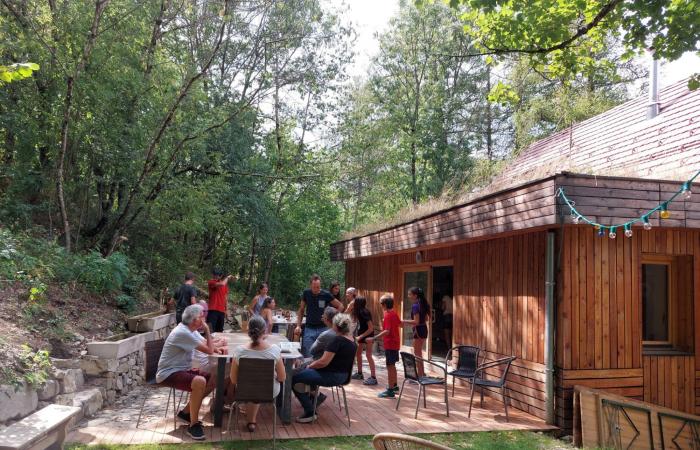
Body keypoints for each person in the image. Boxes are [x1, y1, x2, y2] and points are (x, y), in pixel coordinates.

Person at [156, 304, 221, 440]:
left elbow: (207, 344)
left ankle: (186, 413)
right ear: (194, 320)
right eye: (201, 316)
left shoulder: (190, 330)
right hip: (168, 373)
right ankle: (193, 425)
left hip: (182, 370)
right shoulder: (183, 332)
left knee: (214, 379)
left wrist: (219, 346)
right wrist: (208, 329)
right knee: (200, 381)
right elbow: (209, 350)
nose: (203, 319)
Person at [292, 313, 357, 423]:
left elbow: (323, 362)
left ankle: (309, 412)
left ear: (335, 326)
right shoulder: (352, 341)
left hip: (329, 376)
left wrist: (310, 366)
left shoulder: (337, 340)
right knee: (304, 373)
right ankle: (314, 398)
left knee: (293, 377)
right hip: (343, 377)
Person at [230, 315, 286, 432]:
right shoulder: (275, 350)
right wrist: (272, 376)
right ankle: (251, 421)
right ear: (264, 330)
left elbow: (234, 380)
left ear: (248, 330)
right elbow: (282, 377)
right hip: (269, 391)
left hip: (245, 390)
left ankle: (251, 421)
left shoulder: (239, 351)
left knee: (252, 385)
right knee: (261, 384)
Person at [295, 274, 344, 357]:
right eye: (314, 287)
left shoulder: (326, 294)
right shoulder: (306, 293)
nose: (316, 289)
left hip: (323, 329)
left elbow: (341, 306)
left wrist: (332, 320)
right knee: (308, 354)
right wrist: (298, 325)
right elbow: (301, 309)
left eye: (318, 287)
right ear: (310, 285)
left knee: (322, 355)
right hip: (309, 328)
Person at [375, 295, 402, 398]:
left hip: (390, 344)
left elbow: (387, 331)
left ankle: (390, 390)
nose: (381, 306)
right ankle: (394, 386)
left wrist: (374, 338)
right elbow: (400, 324)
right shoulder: (394, 313)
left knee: (389, 366)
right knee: (392, 365)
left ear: (385, 305)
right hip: (395, 343)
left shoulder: (388, 315)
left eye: (381, 304)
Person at [402, 286, 430, 376]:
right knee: (419, 353)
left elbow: (416, 322)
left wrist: (403, 321)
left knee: (417, 354)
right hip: (424, 329)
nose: (408, 296)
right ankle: (422, 373)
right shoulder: (423, 304)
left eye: (410, 294)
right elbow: (426, 318)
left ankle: (420, 375)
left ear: (415, 295)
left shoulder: (415, 306)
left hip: (418, 330)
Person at [350, 296, 377, 385]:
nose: (353, 302)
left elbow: (371, 328)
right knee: (358, 354)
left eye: (355, 301)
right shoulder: (358, 311)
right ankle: (359, 373)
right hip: (362, 335)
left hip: (368, 336)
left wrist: (360, 336)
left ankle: (373, 377)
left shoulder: (364, 312)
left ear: (358, 303)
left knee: (368, 355)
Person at [207, 268, 234, 332]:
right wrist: (228, 277)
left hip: (221, 311)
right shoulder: (211, 282)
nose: (216, 276)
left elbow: (225, 298)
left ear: (220, 276)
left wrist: (226, 310)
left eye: (218, 275)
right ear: (212, 275)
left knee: (219, 331)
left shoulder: (225, 286)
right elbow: (222, 284)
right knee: (210, 331)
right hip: (212, 310)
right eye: (215, 275)